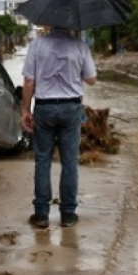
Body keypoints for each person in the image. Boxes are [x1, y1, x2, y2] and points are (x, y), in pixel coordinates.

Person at [21, 27, 97, 228]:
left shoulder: (37, 45)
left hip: (44, 108)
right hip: (71, 108)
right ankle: (68, 215)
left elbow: (29, 81)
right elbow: (91, 79)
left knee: (43, 161)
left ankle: (41, 215)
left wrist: (25, 111)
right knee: (70, 162)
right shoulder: (80, 46)